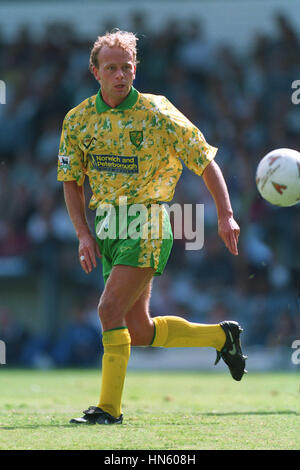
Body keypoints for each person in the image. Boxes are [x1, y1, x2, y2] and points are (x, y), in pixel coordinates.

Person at [57, 30, 247, 426]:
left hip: (147, 223)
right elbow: (71, 181)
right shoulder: (77, 121)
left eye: (127, 67)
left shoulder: (158, 112)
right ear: (95, 72)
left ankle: (108, 410)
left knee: (108, 309)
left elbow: (205, 160)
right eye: (111, 68)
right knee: (138, 331)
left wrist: (225, 214)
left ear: (135, 68)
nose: (120, 75)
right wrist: (83, 233)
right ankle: (221, 337)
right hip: (108, 226)